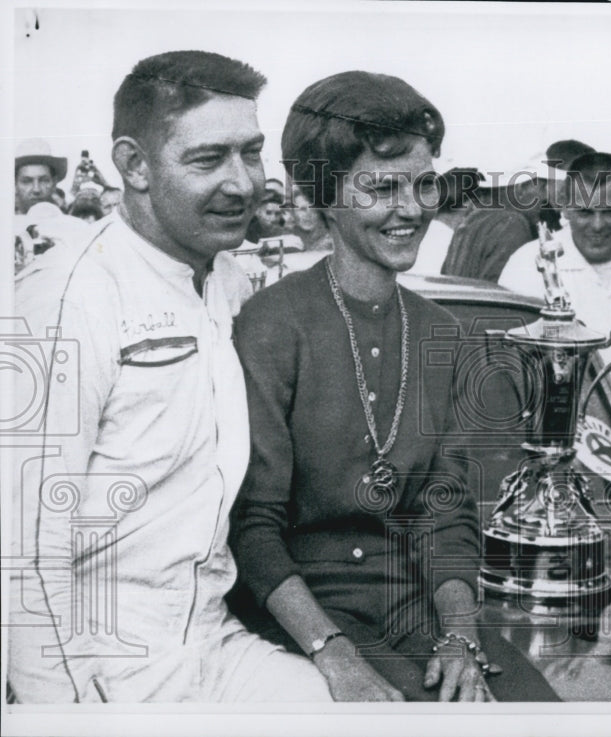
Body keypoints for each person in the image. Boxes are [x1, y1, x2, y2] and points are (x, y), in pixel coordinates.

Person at [9, 50, 333, 703]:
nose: (244, 184)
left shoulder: (227, 279)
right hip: (100, 664)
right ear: (133, 165)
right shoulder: (66, 298)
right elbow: (21, 558)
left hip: (215, 641)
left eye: (252, 152)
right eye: (209, 159)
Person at [228, 70, 559, 703]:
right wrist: (334, 656)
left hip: (424, 610)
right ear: (325, 195)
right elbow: (253, 526)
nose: (412, 209)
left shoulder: (443, 330)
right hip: (300, 616)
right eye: (381, 187)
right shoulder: (271, 323)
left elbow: (448, 511)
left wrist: (462, 635)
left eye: (424, 183)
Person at [498, 151, 611, 509]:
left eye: (610, 211)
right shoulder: (529, 264)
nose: (598, 225)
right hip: (565, 438)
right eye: (585, 212)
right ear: (565, 208)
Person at [440, 139, 594, 282]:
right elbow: (505, 296)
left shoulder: (472, 220)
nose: (544, 197)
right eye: (541, 186)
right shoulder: (512, 224)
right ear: (521, 189)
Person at [14, 138, 67, 214]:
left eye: (44, 180)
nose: (36, 189)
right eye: (27, 181)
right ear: (15, 185)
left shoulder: (68, 224)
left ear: (54, 183)